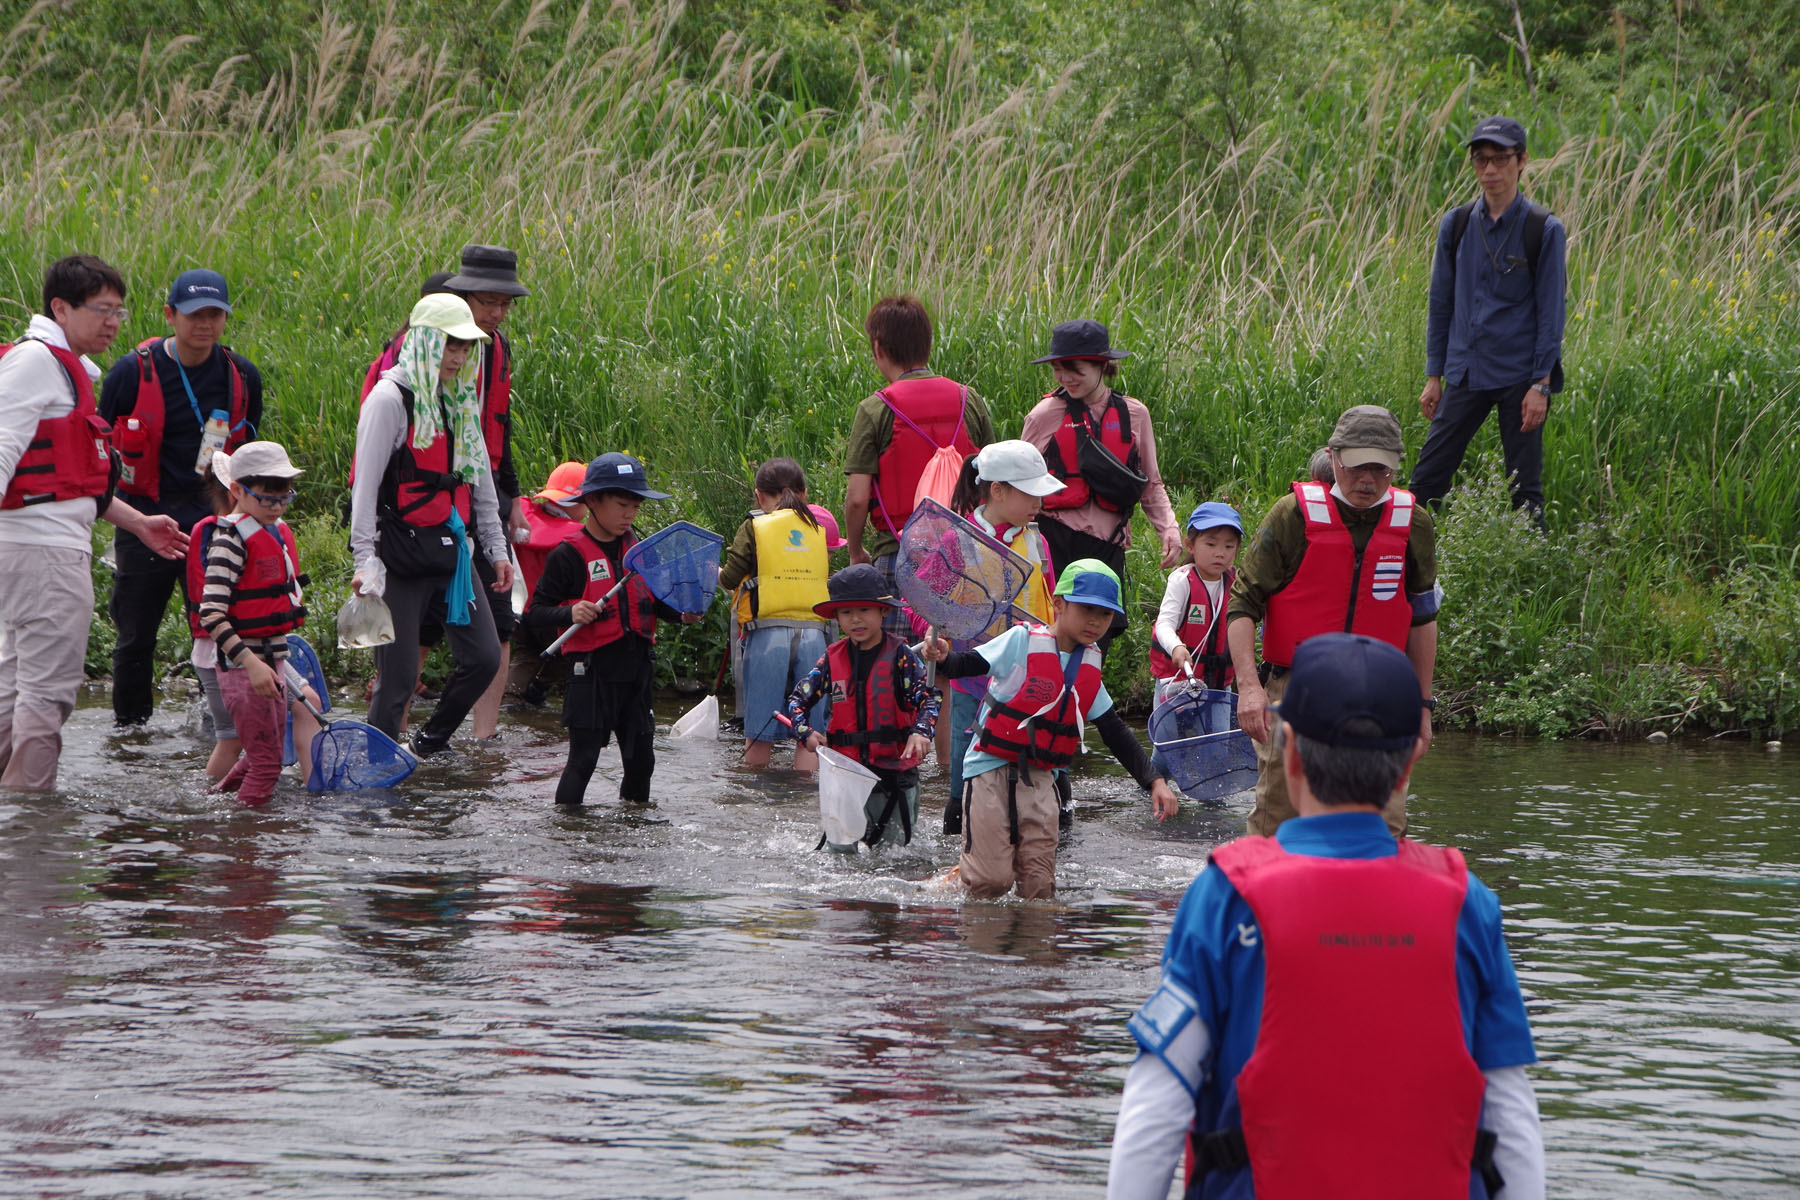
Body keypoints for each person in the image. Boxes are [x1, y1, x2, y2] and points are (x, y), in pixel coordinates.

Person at [1106, 633, 1544, 1200]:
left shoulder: (1225, 896)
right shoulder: (1468, 905)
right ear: (1409, 761)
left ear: (1287, 751)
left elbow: (1156, 1101)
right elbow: (1511, 1117)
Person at [0, 254, 186, 791]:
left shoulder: (63, 367)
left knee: (15, 686)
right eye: (102, 309)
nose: (113, 322)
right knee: (48, 693)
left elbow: (71, 483)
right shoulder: (38, 362)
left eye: (119, 312)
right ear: (60, 308)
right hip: (43, 558)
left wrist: (138, 522)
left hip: (35, 553)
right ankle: (31, 826)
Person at [1228, 405, 1440, 838]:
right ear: (1334, 457)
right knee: (1278, 816)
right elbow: (1243, 603)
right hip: (1294, 687)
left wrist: (1422, 705)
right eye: (1357, 466)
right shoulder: (1292, 516)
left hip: (1383, 692)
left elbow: (1422, 616)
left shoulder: (1414, 523)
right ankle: (1261, 896)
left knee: (1385, 825)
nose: (1368, 480)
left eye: (1381, 470)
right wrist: (1250, 687)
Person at [922, 561, 1179, 899]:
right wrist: (942, 658)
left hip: (1042, 778)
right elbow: (966, 665)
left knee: (1039, 889)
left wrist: (1154, 781)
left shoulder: (1089, 667)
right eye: (1086, 609)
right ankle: (968, 871)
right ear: (1058, 604)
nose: (1095, 621)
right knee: (992, 883)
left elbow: (1115, 731)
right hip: (989, 770)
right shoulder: (1021, 641)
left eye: (1104, 615)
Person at [348, 294, 514, 755]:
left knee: (482, 658)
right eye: (447, 347)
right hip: (397, 555)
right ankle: (377, 768)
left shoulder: (459, 400)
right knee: (397, 682)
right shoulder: (388, 400)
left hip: (450, 551)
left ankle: (426, 746)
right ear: (421, 342)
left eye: (463, 348)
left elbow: (480, 485)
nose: (457, 358)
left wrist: (497, 551)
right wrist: (366, 560)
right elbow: (364, 489)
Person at [98, 268, 264, 727]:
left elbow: (247, 455)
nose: (205, 324)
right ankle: (130, 737)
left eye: (215, 314)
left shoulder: (241, 375)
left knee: (219, 629)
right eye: (194, 315)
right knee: (136, 638)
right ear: (171, 315)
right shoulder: (132, 373)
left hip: (211, 523)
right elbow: (96, 444)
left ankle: (221, 729)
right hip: (143, 521)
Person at [1416, 115, 1567, 527]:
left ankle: (1530, 577)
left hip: (1520, 376)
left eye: (1500, 159)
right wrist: (1434, 374)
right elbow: (1441, 302)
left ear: (1522, 161)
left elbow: (1552, 315)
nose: (1490, 170)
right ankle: (1409, 570)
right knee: (1426, 479)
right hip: (1465, 371)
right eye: (1481, 160)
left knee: (1524, 488)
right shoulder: (1457, 224)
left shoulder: (1544, 229)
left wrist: (1541, 385)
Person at [523, 453, 695, 807]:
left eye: (634, 506)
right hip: (591, 672)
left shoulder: (641, 551)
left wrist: (682, 615)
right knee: (584, 760)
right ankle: (569, 834)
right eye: (621, 505)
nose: (629, 514)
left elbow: (656, 601)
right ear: (592, 501)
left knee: (641, 762)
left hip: (636, 669)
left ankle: (633, 837)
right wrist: (571, 611)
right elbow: (535, 613)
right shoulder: (568, 555)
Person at [1020, 319, 1182, 647]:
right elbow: (1018, 482)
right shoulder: (1044, 415)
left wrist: (1169, 529)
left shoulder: (1135, 414)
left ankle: (1084, 697)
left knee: (1095, 645)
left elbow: (1151, 482)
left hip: (1108, 547)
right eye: (1058, 369)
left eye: (1074, 368)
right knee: (1050, 642)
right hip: (1056, 543)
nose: (1065, 378)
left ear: (1102, 365)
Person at [842, 294, 995, 637]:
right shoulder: (969, 400)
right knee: (952, 667)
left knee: (897, 667)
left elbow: (856, 498)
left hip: (898, 555)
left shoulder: (875, 409)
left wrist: (855, 552)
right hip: (964, 557)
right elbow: (993, 478)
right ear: (928, 343)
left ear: (878, 347)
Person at [937, 439, 1062, 836]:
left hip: (1032, 681)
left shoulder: (1037, 540)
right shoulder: (957, 540)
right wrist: (933, 629)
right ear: (997, 490)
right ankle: (961, 834)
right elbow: (923, 600)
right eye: (1031, 493)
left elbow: (1052, 602)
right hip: (973, 678)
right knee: (964, 772)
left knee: (1044, 769)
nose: (1039, 503)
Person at [182, 453, 321, 783]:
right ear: (237, 492)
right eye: (267, 499)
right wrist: (246, 659)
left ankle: (314, 787)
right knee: (233, 740)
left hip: (267, 651)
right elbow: (213, 612)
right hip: (226, 655)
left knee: (303, 708)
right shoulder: (222, 538)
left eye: (283, 499)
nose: (276, 508)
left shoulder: (271, 532)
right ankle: (207, 803)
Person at [786, 564, 939, 847]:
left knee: (895, 858)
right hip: (844, 777)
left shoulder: (901, 656)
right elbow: (797, 700)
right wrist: (804, 732)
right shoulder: (832, 660)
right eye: (846, 612)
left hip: (894, 778)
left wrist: (921, 732)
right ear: (837, 617)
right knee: (839, 855)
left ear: (883, 611)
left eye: (864, 610)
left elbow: (929, 699)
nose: (855, 619)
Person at [444, 245, 532, 738]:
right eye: (488, 302)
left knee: (502, 622)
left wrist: (511, 497)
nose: (497, 314)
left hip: (486, 502)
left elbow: (499, 427)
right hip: (429, 509)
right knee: (418, 631)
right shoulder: (431, 351)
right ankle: (395, 732)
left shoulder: (497, 349)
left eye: (505, 304)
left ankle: (484, 738)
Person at [720, 458, 832, 768]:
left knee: (760, 733)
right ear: (804, 493)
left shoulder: (754, 525)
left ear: (759, 495)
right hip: (815, 638)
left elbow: (730, 578)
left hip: (768, 636)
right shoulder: (819, 528)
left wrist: (712, 575)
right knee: (808, 733)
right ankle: (803, 800)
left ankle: (756, 804)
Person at [503, 460, 586, 707]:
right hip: (553, 614)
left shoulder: (523, 523)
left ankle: (509, 699)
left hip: (520, 609)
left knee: (527, 654)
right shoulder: (575, 536)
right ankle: (537, 689)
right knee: (570, 654)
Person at [1149, 502, 1242, 706]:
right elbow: (1165, 624)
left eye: (1229, 546)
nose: (1220, 553)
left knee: (1217, 739)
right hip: (1176, 683)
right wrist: (1176, 647)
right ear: (1190, 545)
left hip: (1218, 686)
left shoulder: (1237, 585)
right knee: (1171, 739)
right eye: (1211, 544)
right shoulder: (1182, 581)